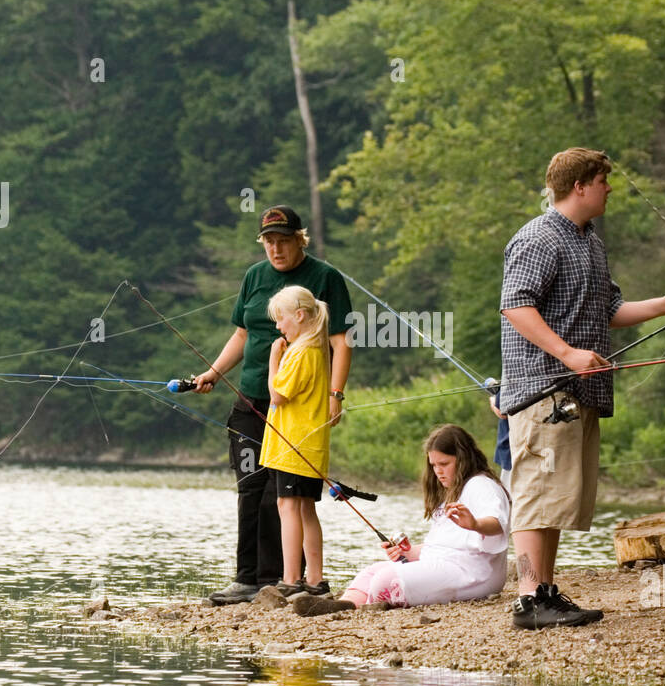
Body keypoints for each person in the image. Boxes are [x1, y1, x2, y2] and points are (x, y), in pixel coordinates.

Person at [500, 147, 665, 630]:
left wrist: (662, 305)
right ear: (580, 186)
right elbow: (515, 305)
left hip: (577, 393)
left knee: (554, 498)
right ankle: (528, 599)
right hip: (542, 390)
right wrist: (568, 354)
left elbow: (609, 308)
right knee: (534, 495)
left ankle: (545, 591)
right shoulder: (539, 237)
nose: (609, 188)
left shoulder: (589, 240)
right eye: (602, 180)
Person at [194, 206, 353, 605]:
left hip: (297, 403)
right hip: (251, 398)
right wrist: (212, 372)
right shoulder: (254, 276)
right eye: (269, 241)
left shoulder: (325, 277)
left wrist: (336, 395)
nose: (276, 249)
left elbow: (340, 342)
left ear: (300, 238)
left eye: (283, 240)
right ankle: (247, 578)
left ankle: (285, 577)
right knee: (250, 485)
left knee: (283, 494)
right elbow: (242, 334)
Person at [293, 425, 510, 617]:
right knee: (370, 572)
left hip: (474, 573)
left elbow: (497, 523)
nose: (438, 472)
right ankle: (345, 606)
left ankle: (364, 607)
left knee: (385, 579)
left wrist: (475, 524)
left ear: (464, 459)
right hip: (448, 564)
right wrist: (408, 552)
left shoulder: (482, 485)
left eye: (444, 463)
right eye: (434, 465)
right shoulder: (452, 491)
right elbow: (446, 545)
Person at [262, 286, 333, 597]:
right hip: (308, 445)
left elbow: (277, 394)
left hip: (294, 445)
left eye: (281, 319)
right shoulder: (317, 349)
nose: (278, 326)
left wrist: (273, 359)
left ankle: (291, 579)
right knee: (304, 509)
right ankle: (315, 581)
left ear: (300, 316)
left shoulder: (300, 352)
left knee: (287, 506)